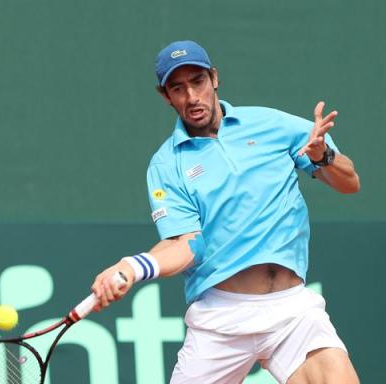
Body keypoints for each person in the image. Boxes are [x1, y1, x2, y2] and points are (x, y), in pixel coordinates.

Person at [90, 40, 361, 384]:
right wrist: (133, 266)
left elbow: (349, 182)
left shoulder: (272, 125)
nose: (191, 97)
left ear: (214, 78)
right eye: (178, 88)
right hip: (221, 319)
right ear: (165, 96)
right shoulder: (166, 165)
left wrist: (324, 156)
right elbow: (186, 244)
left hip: (293, 311)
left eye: (198, 81)